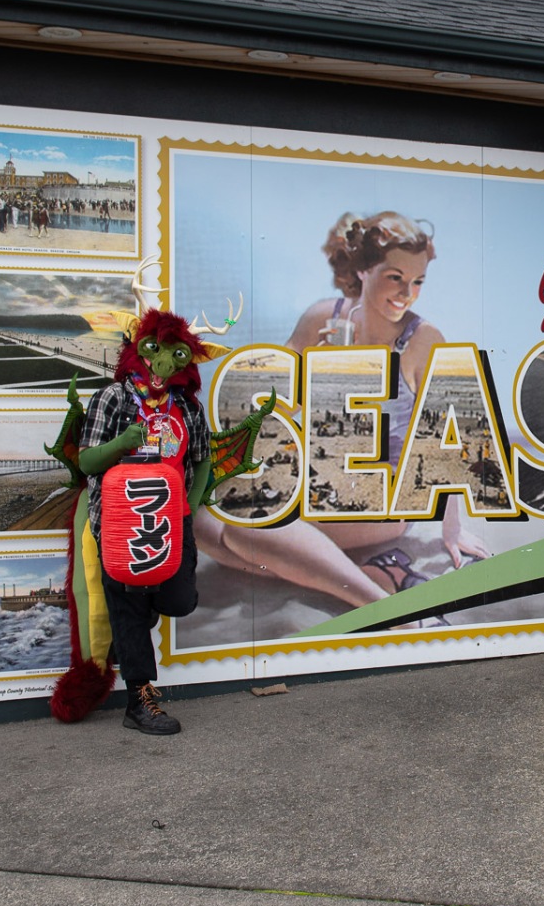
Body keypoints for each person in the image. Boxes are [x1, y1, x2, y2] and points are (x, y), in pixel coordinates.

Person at [196, 211, 490, 622]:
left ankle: (381, 607)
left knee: (244, 529)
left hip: (385, 492)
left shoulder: (423, 339)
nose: (407, 293)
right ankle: (374, 572)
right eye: (395, 277)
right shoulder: (322, 318)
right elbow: (275, 412)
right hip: (323, 475)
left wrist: (452, 529)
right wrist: (313, 371)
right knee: (204, 522)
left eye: (417, 281)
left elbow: (448, 437)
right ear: (363, 270)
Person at [79, 311, 212, 734]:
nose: (164, 364)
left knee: (180, 600)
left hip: (172, 522)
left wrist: (189, 505)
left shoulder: (186, 406)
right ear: (138, 352)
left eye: (177, 354)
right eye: (156, 350)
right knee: (128, 606)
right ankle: (139, 702)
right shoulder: (112, 398)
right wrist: (122, 443)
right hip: (122, 522)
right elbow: (87, 461)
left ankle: (138, 614)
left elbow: (203, 459)